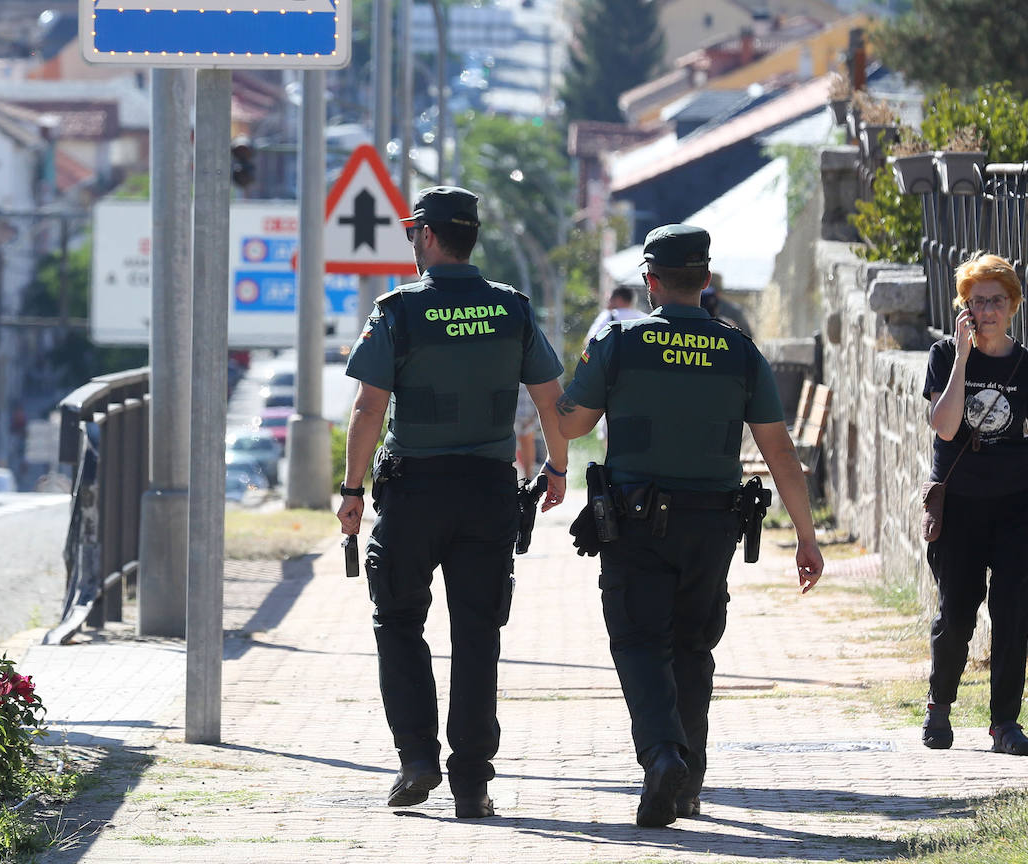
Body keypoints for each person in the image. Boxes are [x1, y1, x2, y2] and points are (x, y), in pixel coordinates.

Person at [554, 224, 823, 827]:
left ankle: (662, 757)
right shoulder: (739, 350)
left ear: (651, 281)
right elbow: (781, 454)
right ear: (706, 281)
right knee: (693, 648)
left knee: (638, 642)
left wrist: (554, 388)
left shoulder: (619, 344)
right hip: (712, 525)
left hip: (634, 523)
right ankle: (688, 783)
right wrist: (806, 537)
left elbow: (571, 425)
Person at [336, 186, 570, 819]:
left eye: (415, 233)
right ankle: (471, 782)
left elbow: (368, 407)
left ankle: (416, 757)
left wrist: (352, 491)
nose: (412, 242)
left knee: (399, 622)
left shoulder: (400, 311)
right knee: (476, 635)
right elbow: (551, 397)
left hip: (413, 494)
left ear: (430, 237)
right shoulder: (512, 309)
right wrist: (557, 466)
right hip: (488, 492)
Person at [921, 252, 1028, 756]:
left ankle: (1004, 723)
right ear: (963, 308)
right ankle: (939, 706)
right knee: (956, 613)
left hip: (1015, 505)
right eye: (975, 302)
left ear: (1012, 305)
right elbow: (945, 427)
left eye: (995, 301)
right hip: (960, 504)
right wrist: (966, 357)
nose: (985, 311)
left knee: (1012, 614)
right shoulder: (945, 356)